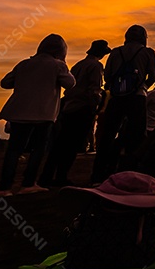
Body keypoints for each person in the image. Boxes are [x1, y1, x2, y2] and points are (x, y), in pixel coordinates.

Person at [0, 34, 75, 197]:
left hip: (19, 113)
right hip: (43, 114)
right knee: (38, 149)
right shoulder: (57, 66)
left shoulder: (24, 64)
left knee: (14, 150)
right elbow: (70, 83)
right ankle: (28, 184)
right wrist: (63, 65)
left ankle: (4, 187)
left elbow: (5, 83)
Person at [91, 25, 155, 184]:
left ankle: (98, 175)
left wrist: (119, 87)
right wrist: (143, 87)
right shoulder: (148, 53)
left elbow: (107, 76)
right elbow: (153, 76)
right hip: (137, 97)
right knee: (137, 136)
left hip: (116, 97)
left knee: (108, 135)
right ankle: (131, 173)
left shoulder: (115, 52)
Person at [41, 39, 110, 186]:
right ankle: (61, 176)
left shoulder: (79, 64)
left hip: (69, 106)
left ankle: (47, 176)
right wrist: (95, 107)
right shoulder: (96, 66)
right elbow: (94, 89)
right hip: (83, 107)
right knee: (72, 145)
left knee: (60, 143)